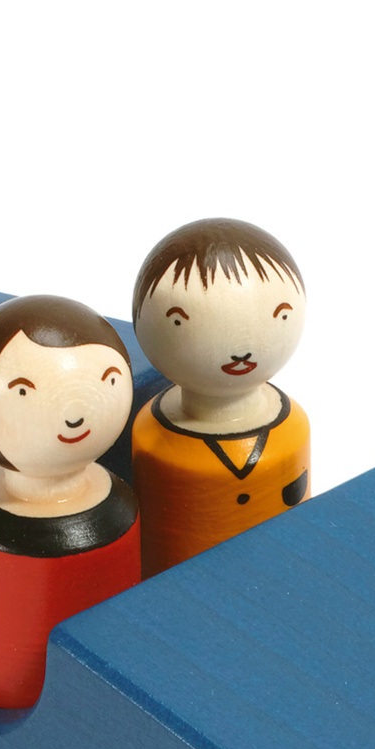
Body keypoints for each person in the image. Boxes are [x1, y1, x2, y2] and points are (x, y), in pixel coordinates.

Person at [0, 295, 140, 709]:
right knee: (18, 686)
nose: (74, 415)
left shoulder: (116, 504)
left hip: (112, 704)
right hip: (14, 701)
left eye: (107, 380)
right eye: (23, 392)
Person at [130, 218, 309, 576]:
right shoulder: (153, 440)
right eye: (179, 322)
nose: (240, 351)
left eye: (279, 315)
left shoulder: (290, 431)